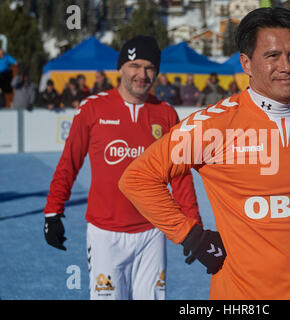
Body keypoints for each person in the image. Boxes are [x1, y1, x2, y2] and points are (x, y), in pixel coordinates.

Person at [119, 7, 290, 300]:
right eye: (272, 56)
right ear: (246, 63)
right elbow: (138, 178)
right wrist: (192, 237)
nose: (287, 66)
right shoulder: (213, 126)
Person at [42, 35, 202, 300]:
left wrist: (193, 223)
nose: (142, 74)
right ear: (120, 68)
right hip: (105, 234)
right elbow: (69, 162)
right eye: (135, 65)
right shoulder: (92, 109)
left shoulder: (166, 114)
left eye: (150, 67)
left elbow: (180, 175)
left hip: (152, 232)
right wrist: (52, 211)